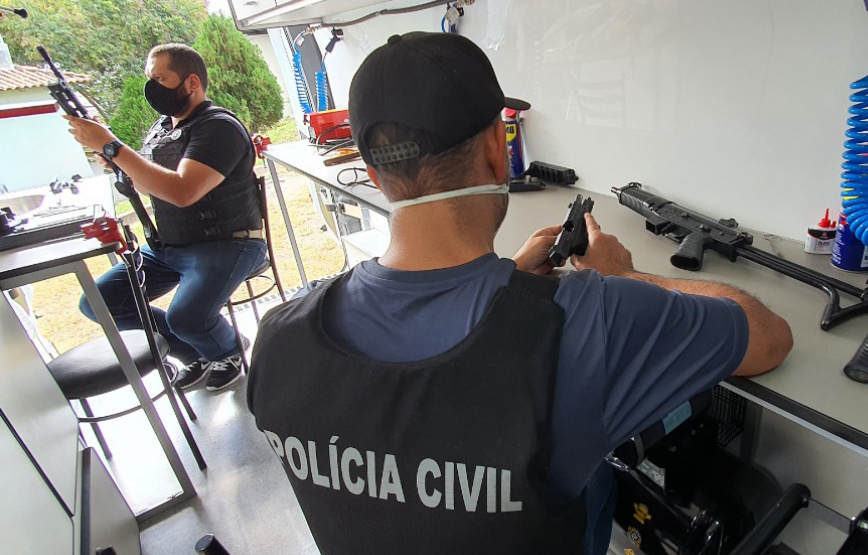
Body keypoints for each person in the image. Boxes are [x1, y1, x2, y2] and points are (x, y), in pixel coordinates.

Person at [247, 32, 793, 554]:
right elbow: (769, 339)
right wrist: (625, 279)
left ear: (371, 169)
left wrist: (507, 277)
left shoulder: (276, 340)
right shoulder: (584, 319)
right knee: (598, 470)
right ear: (495, 148)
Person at [65, 43, 266, 392]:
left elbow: (182, 191)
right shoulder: (162, 129)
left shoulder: (218, 127)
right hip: (169, 246)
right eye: (149, 78)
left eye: (160, 78)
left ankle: (228, 349)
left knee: (185, 316)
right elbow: (151, 185)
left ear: (191, 83)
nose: (151, 87)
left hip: (228, 244)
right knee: (100, 304)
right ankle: (198, 353)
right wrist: (121, 163)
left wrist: (114, 146)